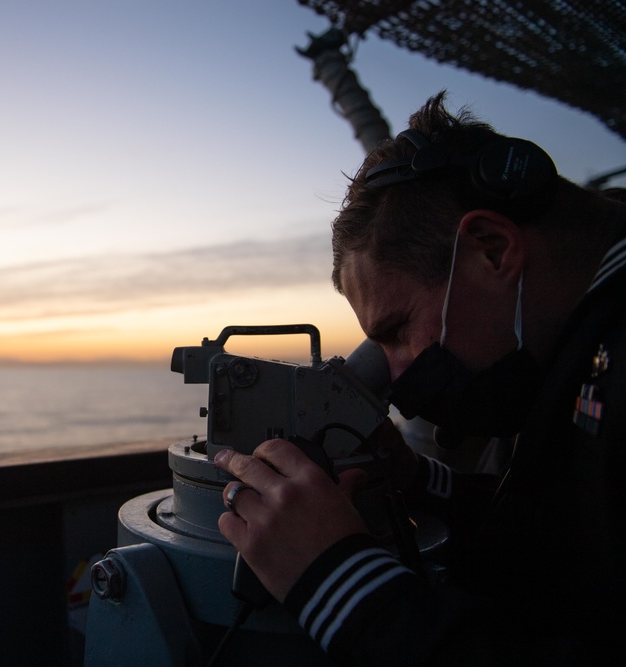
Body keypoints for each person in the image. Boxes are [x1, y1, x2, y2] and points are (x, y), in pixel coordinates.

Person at [214, 91, 626, 664]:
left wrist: (343, 587)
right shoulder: (581, 346)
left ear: (493, 249)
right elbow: (566, 541)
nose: (398, 373)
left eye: (398, 328)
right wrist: (418, 479)